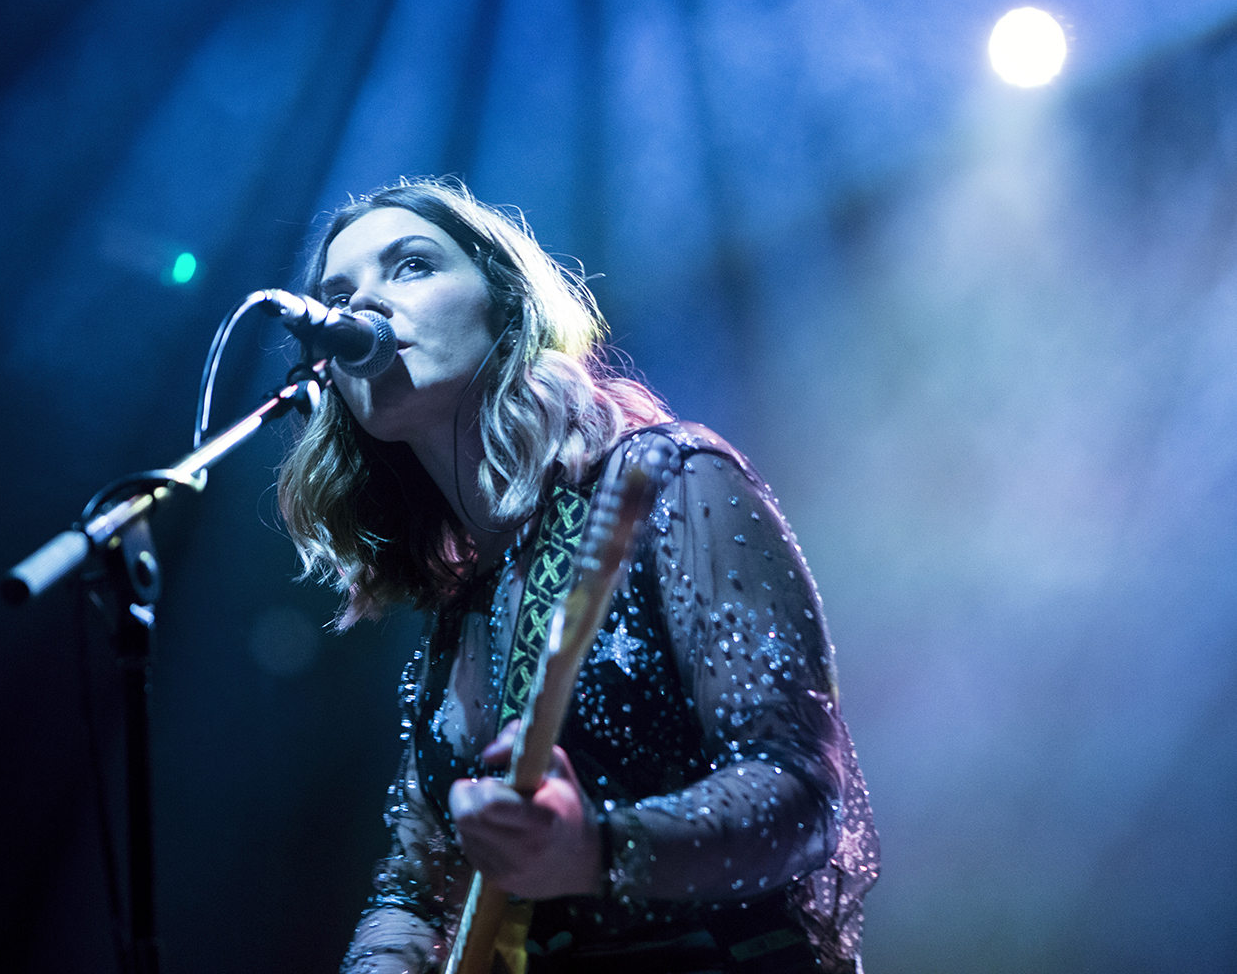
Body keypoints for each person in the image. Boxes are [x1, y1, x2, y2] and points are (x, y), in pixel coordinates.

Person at [276, 178, 878, 974]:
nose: (363, 312)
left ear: (505, 304)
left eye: (411, 267)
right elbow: (416, 889)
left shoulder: (668, 478)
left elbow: (800, 791)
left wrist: (594, 851)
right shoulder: (460, 612)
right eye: (337, 297)